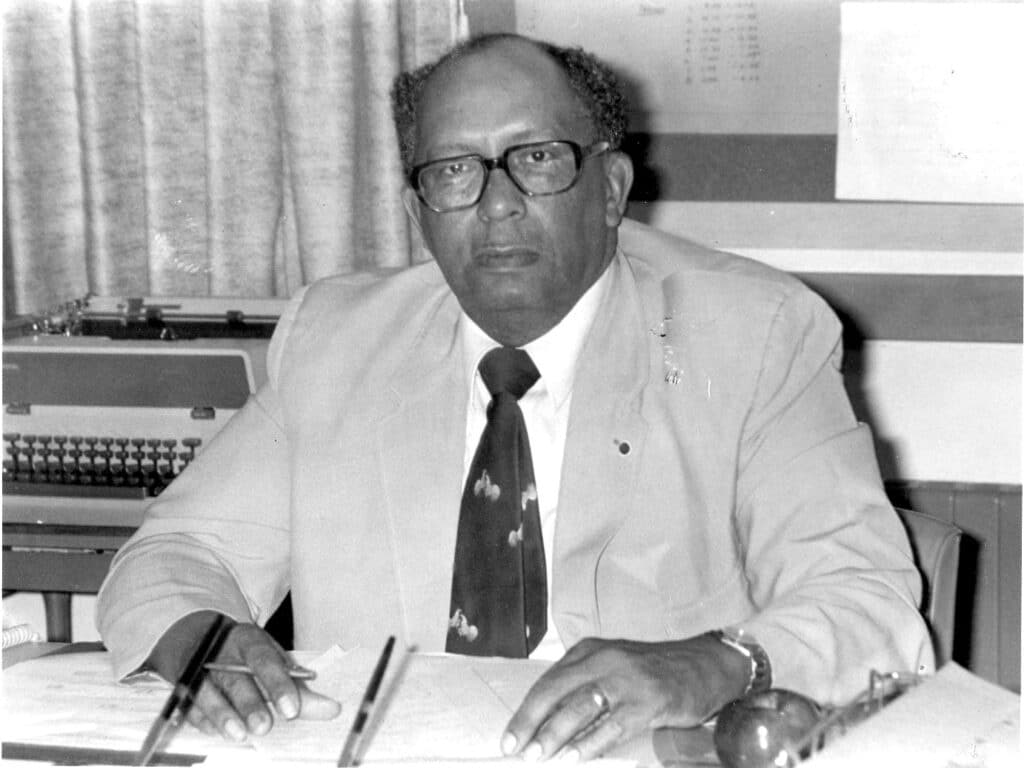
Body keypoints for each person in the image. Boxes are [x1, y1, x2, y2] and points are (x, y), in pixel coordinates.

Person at [96, 33, 933, 761]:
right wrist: (202, 638)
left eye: (536, 159)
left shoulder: (754, 335)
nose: (497, 205)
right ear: (420, 211)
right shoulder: (336, 341)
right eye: (454, 171)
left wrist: (713, 664)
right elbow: (173, 557)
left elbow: (869, 601)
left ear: (611, 188)